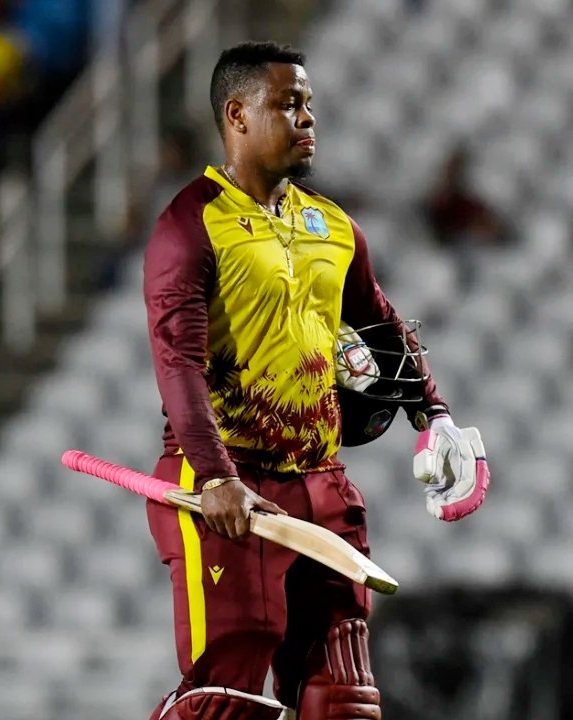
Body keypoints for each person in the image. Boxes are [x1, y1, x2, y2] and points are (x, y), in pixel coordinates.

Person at [141, 42, 489, 720]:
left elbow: (381, 323)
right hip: (226, 484)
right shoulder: (190, 224)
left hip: (322, 481)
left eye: (308, 104)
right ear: (238, 114)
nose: (307, 118)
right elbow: (176, 361)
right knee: (228, 698)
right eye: (288, 104)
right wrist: (215, 477)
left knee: (344, 698)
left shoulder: (333, 225)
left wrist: (435, 415)